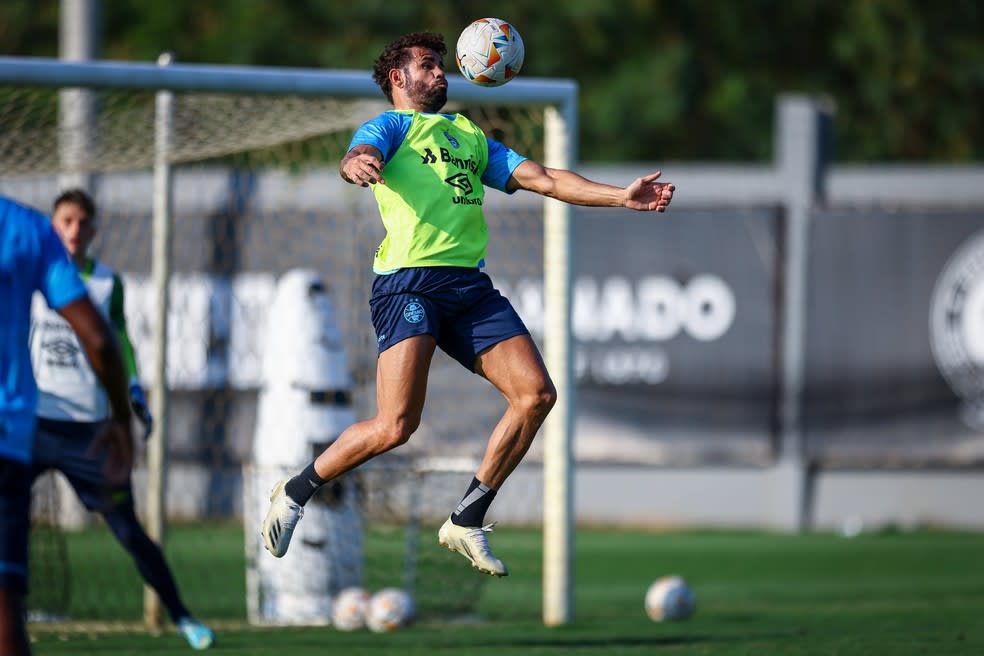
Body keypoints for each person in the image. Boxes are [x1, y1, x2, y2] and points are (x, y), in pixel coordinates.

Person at [262, 32, 675, 577]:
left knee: (536, 395)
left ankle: (466, 517)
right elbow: (358, 153)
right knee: (395, 426)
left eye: (441, 66)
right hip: (408, 284)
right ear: (398, 79)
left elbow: (546, 179)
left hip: (469, 288)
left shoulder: (467, 134)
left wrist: (620, 196)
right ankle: (294, 491)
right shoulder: (391, 126)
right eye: (428, 65)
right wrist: (357, 163)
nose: (440, 74)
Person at [28, 189, 214, 651]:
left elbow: (121, 343)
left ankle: (184, 616)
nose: (74, 230)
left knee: (128, 531)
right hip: (31, 424)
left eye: (82, 222)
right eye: (65, 220)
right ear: (54, 225)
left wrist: (132, 393)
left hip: (89, 431)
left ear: (93, 229)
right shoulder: (29, 273)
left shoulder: (106, 283)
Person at [1, 194, 134, 656]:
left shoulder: (106, 279)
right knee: (5, 613)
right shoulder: (26, 229)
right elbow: (100, 338)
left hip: (52, 430)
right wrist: (121, 417)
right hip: (10, 437)